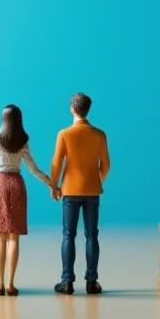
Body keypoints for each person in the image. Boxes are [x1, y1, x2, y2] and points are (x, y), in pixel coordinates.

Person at [0, 104, 53, 296]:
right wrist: (50, 183)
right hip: (17, 185)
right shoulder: (23, 143)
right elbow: (33, 169)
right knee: (14, 237)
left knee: (0, 236)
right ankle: (11, 285)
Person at [50, 93, 110, 295]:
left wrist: (54, 185)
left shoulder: (64, 134)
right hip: (92, 190)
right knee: (92, 235)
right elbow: (106, 164)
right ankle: (92, 281)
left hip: (70, 190)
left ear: (72, 109)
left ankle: (67, 280)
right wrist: (97, 178)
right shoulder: (99, 134)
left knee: (68, 234)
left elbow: (57, 163)